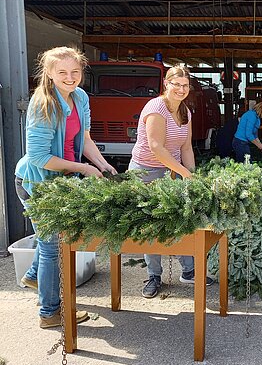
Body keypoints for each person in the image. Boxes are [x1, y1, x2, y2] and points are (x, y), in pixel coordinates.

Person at [15, 46, 118, 328]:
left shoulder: (80, 97)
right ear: (49, 73)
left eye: (75, 72)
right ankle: (50, 313)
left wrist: (102, 164)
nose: (70, 77)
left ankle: (36, 277)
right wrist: (84, 168)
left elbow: (84, 138)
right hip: (36, 183)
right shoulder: (43, 104)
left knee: (52, 243)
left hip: (62, 182)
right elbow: (39, 157)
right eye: (62, 72)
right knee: (52, 246)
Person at [128, 64, 212, 299]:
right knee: (152, 225)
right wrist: (184, 173)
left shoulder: (186, 111)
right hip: (146, 172)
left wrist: (192, 175)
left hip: (172, 171)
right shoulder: (156, 107)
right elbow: (156, 148)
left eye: (186, 86)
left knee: (183, 219)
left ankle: (189, 271)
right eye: (177, 84)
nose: (182, 89)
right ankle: (154, 276)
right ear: (166, 84)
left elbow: (186, 147)